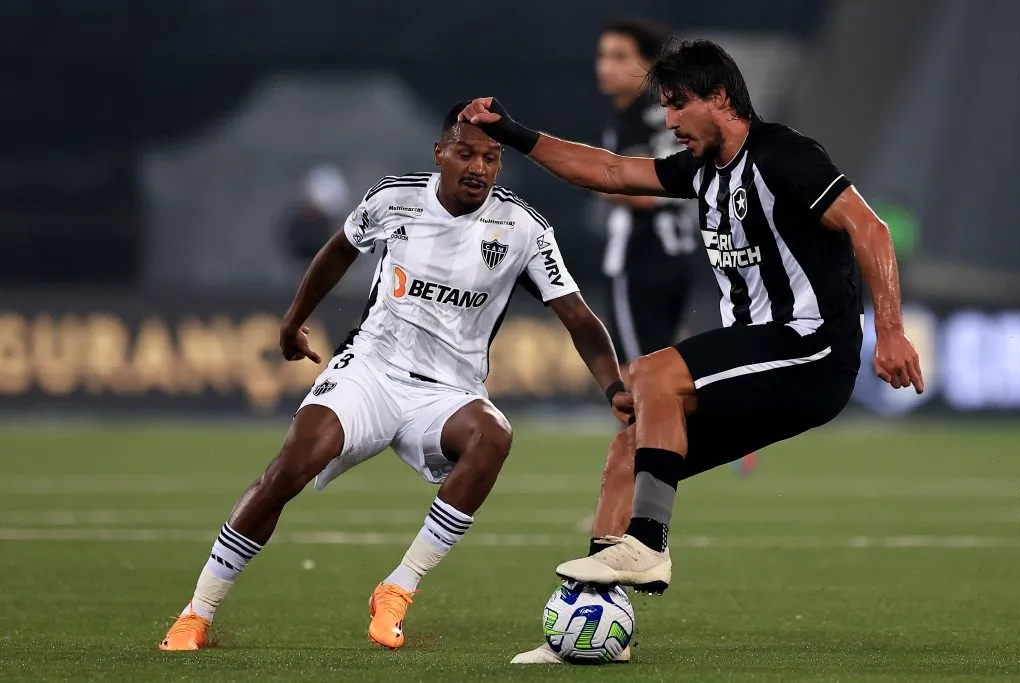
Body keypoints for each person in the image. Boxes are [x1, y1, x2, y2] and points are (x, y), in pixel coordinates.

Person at [461, 40, 924, 663]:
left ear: (721, 98)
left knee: (653, 373)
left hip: (811, 349)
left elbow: (871, 227)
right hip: (760, 354)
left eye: (678, 105)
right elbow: (606, 170)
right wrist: (513, 134)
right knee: (629, 441)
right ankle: (591, 621)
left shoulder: (785, 156)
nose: (670, 120)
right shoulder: (700, 172)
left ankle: (648, 543)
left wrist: (889, 329)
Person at [158, 102, 632, 652]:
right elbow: (338, 251)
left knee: (493, 437)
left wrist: (614, 387)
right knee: (293, 463)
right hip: (371, 372)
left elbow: (577, 316)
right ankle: (199, 611)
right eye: (466, 154)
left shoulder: (522, 228)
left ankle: (397, 588)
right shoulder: (393, 198)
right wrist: (293, 323)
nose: (478, 168)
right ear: (439, 154)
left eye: (491, 158)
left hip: (449, 393)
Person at [586, 23, 757, 560]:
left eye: (618, 56)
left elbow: (638, 191)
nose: (605, 66)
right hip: (679, 261)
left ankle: (637, 516)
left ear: (645, 65)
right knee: (662, 375)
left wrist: (602, 180)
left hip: (641, 264)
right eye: (602, 55)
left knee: (643, 383)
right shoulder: (668, 118)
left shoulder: (641, 117)